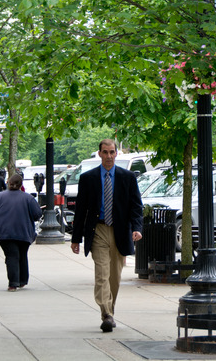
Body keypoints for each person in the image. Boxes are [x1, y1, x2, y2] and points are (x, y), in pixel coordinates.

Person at [71, 139, 143, 333]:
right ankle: (106, 314)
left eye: (112, 152)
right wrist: (76, 238)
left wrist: (137, 228)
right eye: (105, 152)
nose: (109, 156)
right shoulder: (88, 178)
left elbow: (136, 206)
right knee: (102, 274)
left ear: (116, 154)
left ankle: (110, 308)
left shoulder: (127, 177)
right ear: (99, 154)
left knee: (115, 277)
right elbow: (81, 210)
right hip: (98, 230)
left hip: (120, 230)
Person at [0, 174, 42, 291]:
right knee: (22, 254)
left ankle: (13, 283)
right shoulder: (28, 198)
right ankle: (22, 280)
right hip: (24, 231)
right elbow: (37, 215)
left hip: (4, 232)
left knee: (11, 255)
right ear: (21, 184)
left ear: (8, 182)